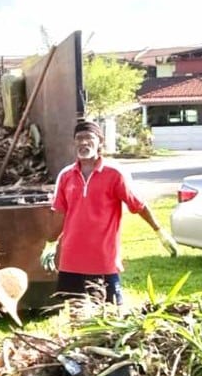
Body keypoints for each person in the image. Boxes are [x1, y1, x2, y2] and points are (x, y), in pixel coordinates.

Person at [40, 120, 177, 307]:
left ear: (100, 142)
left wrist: (159, 231)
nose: (83, 143)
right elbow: (60, 213)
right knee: (75, 311)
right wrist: (50, 243)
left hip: (103, 258)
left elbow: (138, 205)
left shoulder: (115, 174)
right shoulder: (66, 175)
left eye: (89, 138)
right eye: (79, 138)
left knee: (110, 311)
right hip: (71, 258)